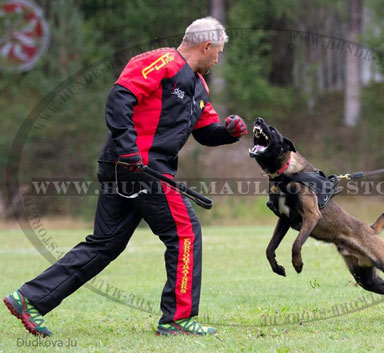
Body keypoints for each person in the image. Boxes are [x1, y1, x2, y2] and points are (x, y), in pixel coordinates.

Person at [3, 17, 247, 337]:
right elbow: (120, 98)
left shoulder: (199, 87)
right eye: (218, 51)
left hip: (141, 168)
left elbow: (205, 132)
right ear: (206, 46)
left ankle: (29, 298)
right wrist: (129, 150)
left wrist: (228, 133)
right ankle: (177, 319)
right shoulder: (160, 62)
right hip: (138, 167)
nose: (218, 58)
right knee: (185, 233)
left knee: (105, 244)